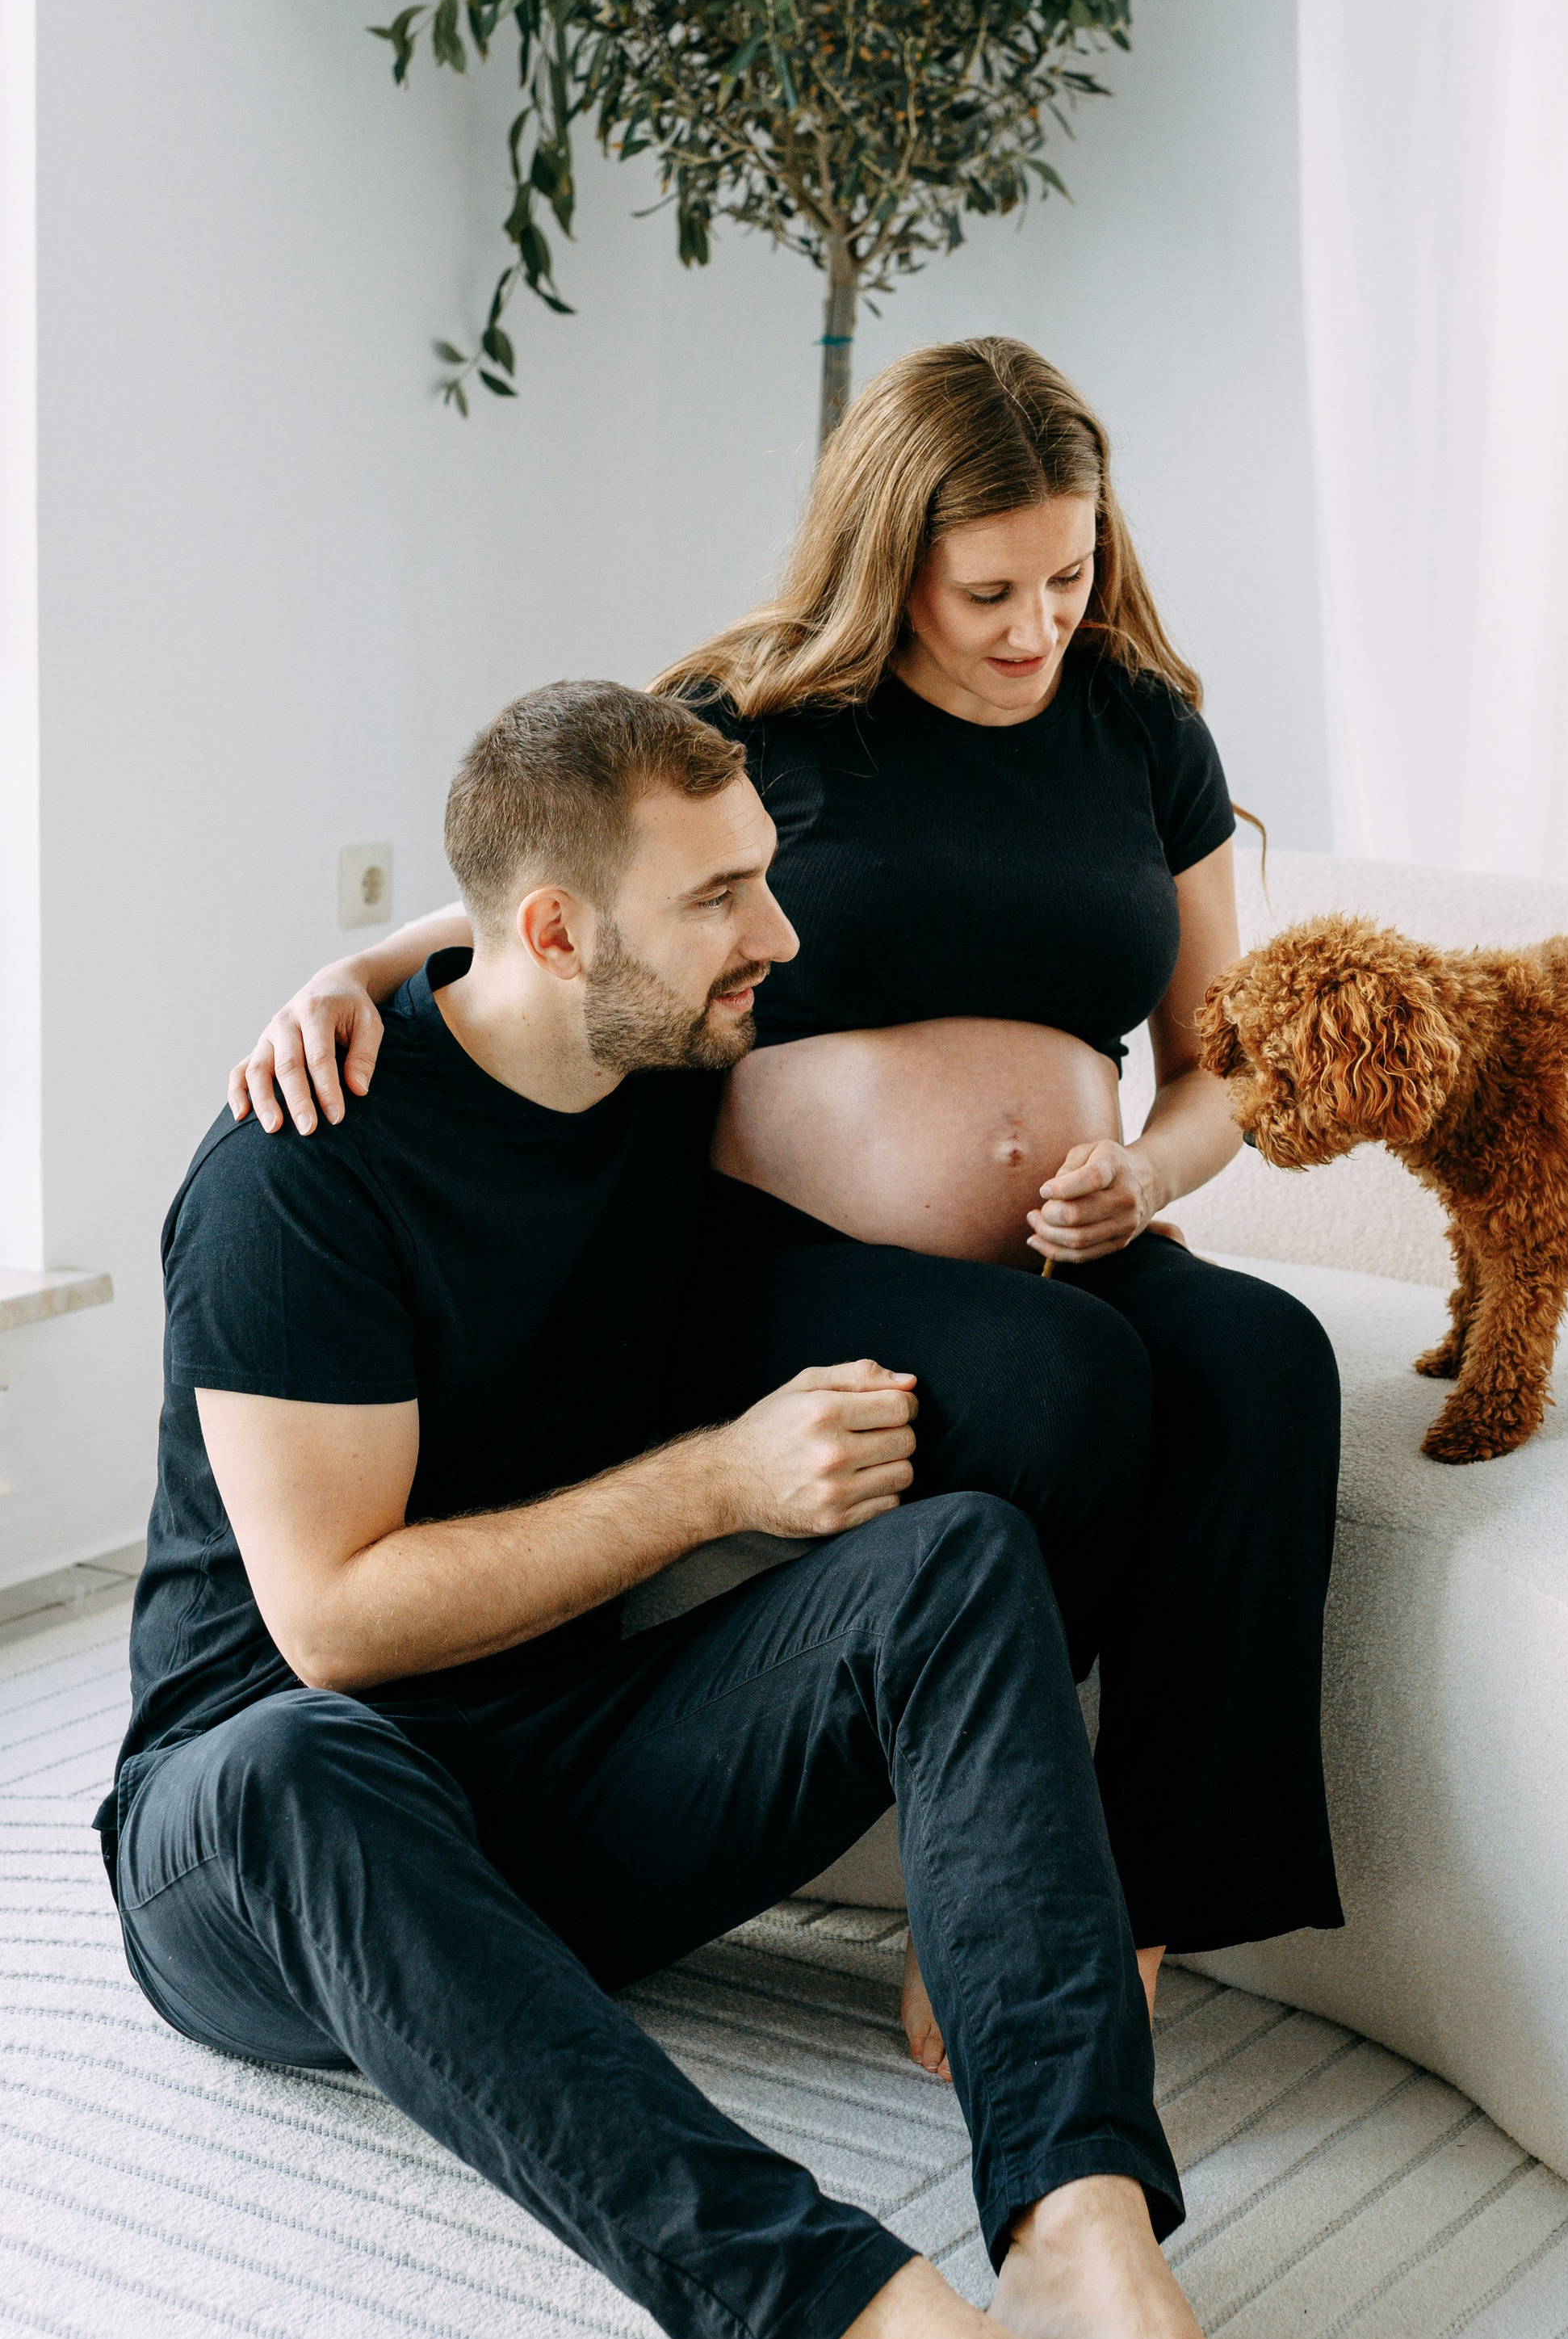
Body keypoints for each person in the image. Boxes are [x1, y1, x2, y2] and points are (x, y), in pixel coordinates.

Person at [99, 680, 1305, 2339]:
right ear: (566, 935)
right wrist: (716, 1485)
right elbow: (326, 1624)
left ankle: (1081, 2222)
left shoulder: (659, 1064)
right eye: (725, 897)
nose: (782, 935)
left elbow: (483, 921)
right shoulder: (299, 1166)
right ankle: (889, 2336)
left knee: (960, 1559)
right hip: (273, 1857)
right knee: (289, 1757)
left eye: (766, 878)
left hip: (568, 1783)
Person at [231, 338, 1344, 2081]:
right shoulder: (762, 716)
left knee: (1265, 1363)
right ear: (890, 550)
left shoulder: (1143, 731)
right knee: (1062, 1384)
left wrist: (1146, 1172)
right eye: (989, 587)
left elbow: (1222, 1061)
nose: (1035, 625)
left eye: (1068, 574)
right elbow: (556, 887)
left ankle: (1118, 1896)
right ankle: (978, 1899)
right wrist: (349, 970)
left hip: (1080, 1242)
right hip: (766, 1263)